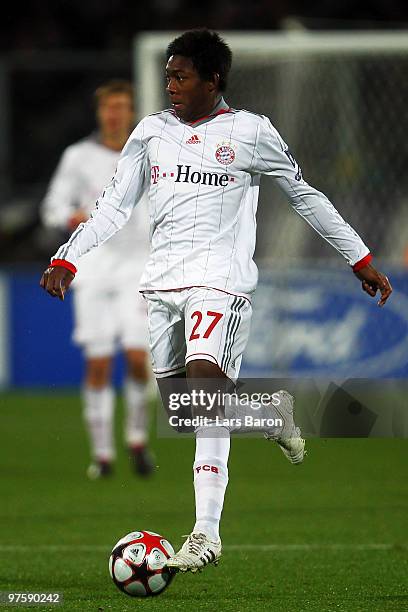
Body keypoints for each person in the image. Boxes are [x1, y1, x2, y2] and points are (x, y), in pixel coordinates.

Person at [40, 30, 392, 571]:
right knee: (184, 411)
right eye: (168, 76)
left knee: (205, 388)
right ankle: (267, 414)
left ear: (214, 80)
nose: (170, 86)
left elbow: (305, 195)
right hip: (161, 283)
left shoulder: (251, 132)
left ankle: (206, 534)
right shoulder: (151, 133)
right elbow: (113, 205)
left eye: (181, 76)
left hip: (220, 281)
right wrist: (69, 256)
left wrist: (359, 257)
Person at [41, 80, 154, 480]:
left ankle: (137, 439)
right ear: (99, 112)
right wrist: (67, 217)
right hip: (90, 268)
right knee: (99, 363)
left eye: (123, 107)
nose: (115, 114)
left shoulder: (149, 151)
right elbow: (52, 206)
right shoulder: (79, 156)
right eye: (109, 107)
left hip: (138, 267)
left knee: (140, 360)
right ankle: (103, 455)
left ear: (131, 111)